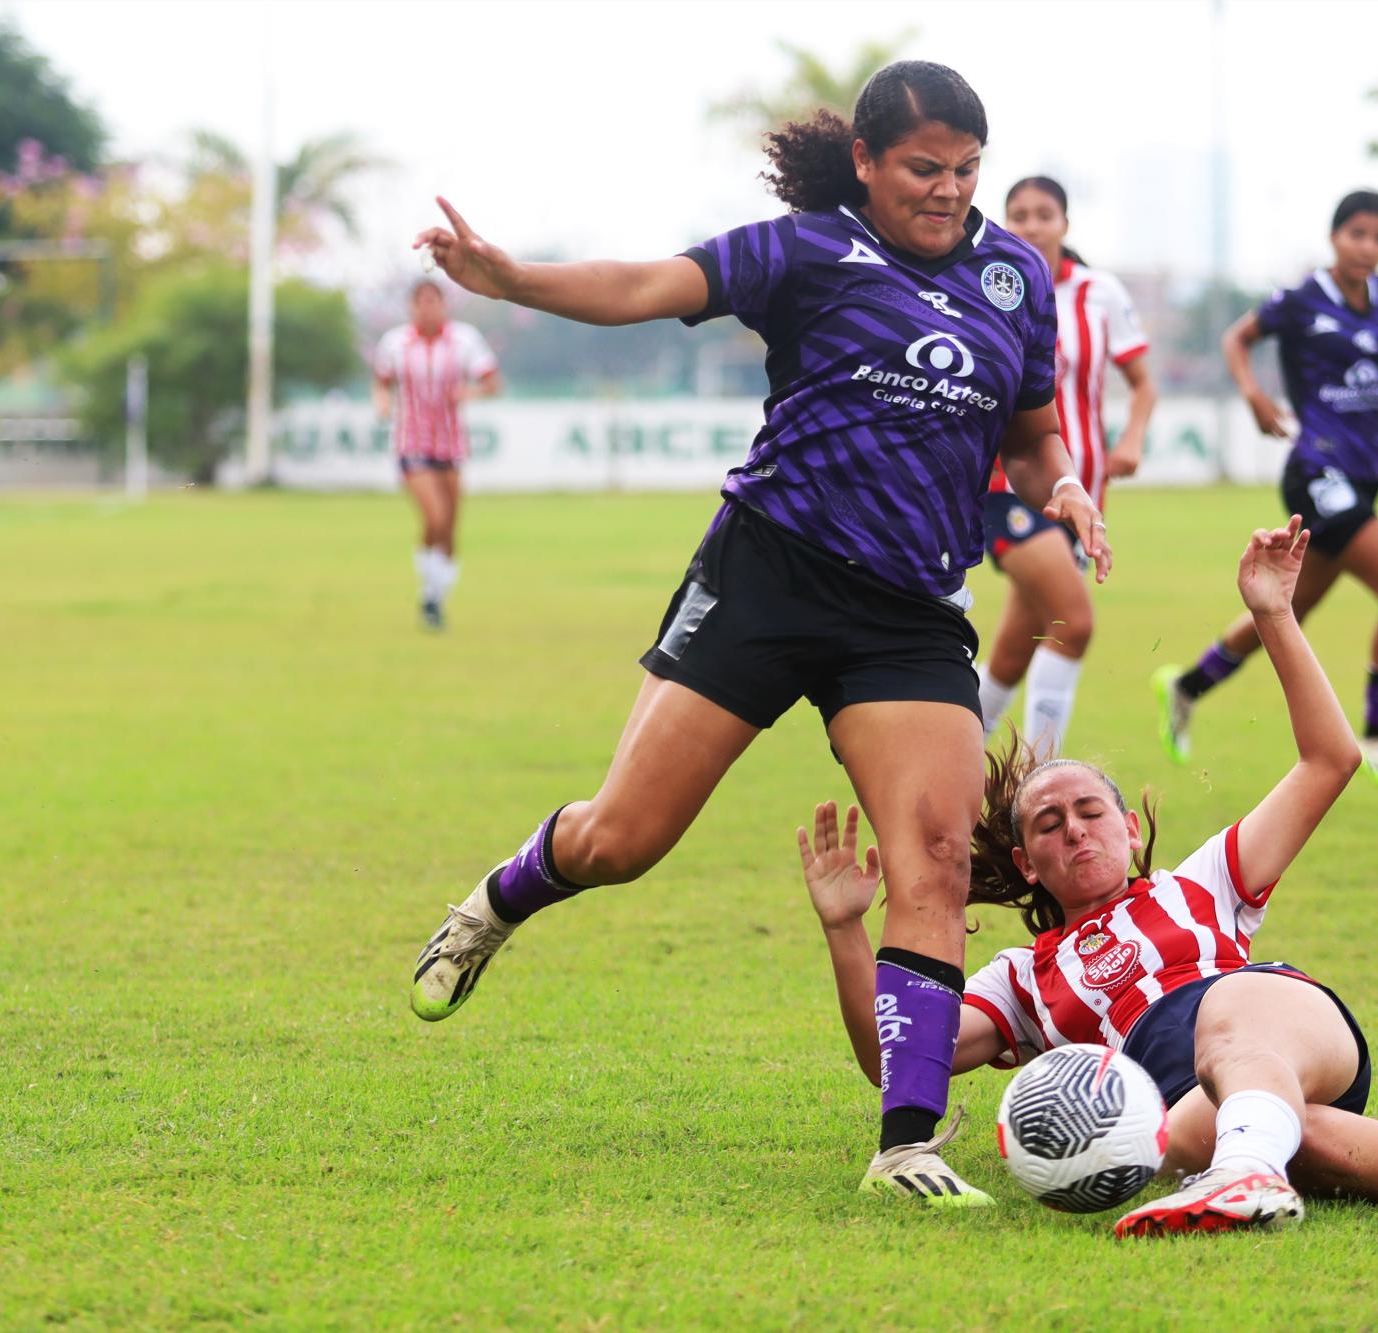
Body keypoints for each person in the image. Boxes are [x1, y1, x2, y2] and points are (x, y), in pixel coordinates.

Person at [405, 61, 1110, 1207]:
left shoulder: (1011, 274)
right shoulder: (805, 249)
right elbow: (643, 283)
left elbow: (1028, 432)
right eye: (923, 169)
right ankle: (500, 897)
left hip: (909, 612)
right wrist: (508, 279)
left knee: (932, 861)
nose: (947, 191)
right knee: (623, 839)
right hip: (767, 572)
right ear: (868, 166)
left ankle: (905, 1143)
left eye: (966, 170)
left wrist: (1064, 483)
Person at [802, 516, 1378, 1237]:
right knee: (1352, 1155)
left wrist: (1274, 616)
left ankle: (1246, 1168)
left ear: (1130, 827)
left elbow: (1327, 761)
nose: (1075, 828)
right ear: (1024, 862)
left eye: (1090, 809)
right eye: (1048, 823)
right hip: (1190, 1118)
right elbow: (900, 1061)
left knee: (1228, 1020)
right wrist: (850, 930)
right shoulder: (1022, 983)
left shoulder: (1200, 883)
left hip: (1282, 1025)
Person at [1155, 190, 1378, 791]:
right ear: (1335, 237)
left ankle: (1187, 685)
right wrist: (1253, 393)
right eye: (1357, 233)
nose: (1368, 246)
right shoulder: (1302, 299)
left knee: (1287, 611)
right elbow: (1236, 338)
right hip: (1316, 469)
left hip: (1361, 474)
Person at [976, 176, 1156, 756]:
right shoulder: (986, 286)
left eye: (1044, 214)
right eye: (1019, 214)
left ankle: (946, 761)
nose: (1031, 225)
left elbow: (1143, 384)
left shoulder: (1099, 293)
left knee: (1012, 651)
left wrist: (1131, 437)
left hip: (1083, 490)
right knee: (1072, 623)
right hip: (1009, 486)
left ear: (1065, 224)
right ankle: (1039, 774)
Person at [372, 279, 501, 631]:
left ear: (444, 305)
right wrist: (382, 402)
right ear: (412, 306)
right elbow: (381, 382)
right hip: (411, 441)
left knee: (450, 527)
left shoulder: (464, 340)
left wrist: (468, 393)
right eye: (421, 301)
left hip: (451, 443)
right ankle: (430, 597)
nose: (427, 308)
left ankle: (435, 595)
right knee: (435, 515)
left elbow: (492, 383)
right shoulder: (395, 343)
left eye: (434, 301)